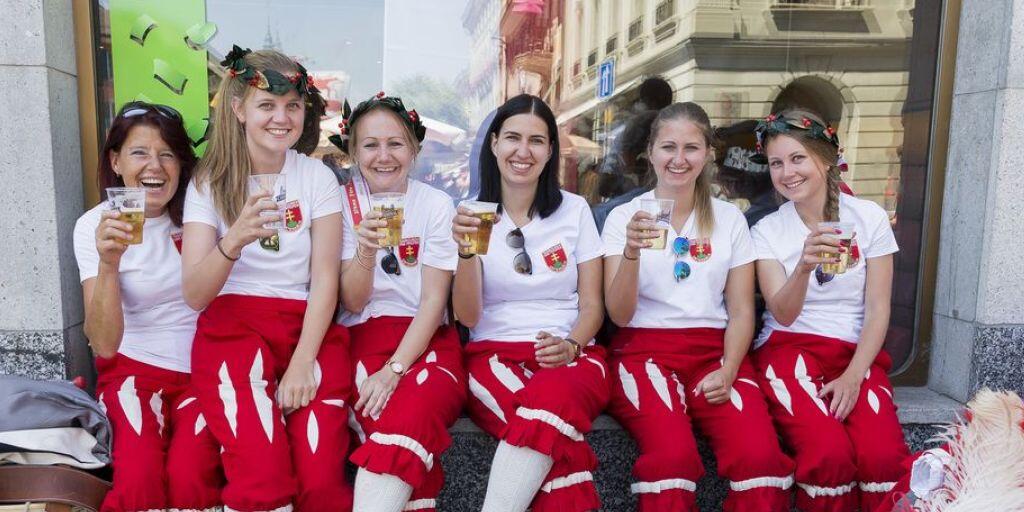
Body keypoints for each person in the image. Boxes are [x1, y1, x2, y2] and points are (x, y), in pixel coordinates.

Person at [181, 46, 352, 511]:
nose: (282, 118)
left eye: (292, 105)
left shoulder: (316, 178)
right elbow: (195, 293)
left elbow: (325, 280)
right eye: (267, 105)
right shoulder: (208, 182)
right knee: (262, 474)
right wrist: (233, 240)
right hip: (232, 333)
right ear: (239, 109)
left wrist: (302, 362)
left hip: (307, 329)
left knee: (320, 477)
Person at [601, 102, 795, 511]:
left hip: (715, 355)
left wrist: (729, 369)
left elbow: (741, 311)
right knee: (672, 458)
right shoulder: (624, 218)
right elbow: (619, 315)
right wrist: (631, 253)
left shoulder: (730, 219)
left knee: (760, 457)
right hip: (643, 354)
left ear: (708, 154)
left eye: (691, 148)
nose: (679, 159)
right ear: (650, 152)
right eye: (668, 147)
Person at [452, 94, 609, 512]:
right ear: (494, 144)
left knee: (553, 396)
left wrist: (571, 345)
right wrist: (465, 252)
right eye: (513, 138)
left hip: (573, 354)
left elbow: (592, 307)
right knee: (560, 457)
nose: (523, 151)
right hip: (493, 357)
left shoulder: (575, 210)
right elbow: (468, 315)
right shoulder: (472, 214)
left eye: (537, 140)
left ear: (551, 150)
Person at [750, 109, 910, 512]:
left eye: (797, 158)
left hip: (856, 354)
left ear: (825, 159)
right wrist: (803, 267)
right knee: (828, 454)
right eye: (776, 163)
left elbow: (878, 308)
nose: (787, 173)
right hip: (788, 349)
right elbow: (782, 314)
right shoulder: (767, 231)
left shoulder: (869, 218)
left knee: (882, 457)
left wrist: (854, 376)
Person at [73, 101, 222, 511]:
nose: (154, 166)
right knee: (139, 478)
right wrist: (108, 264)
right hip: (131, 372)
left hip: (203, 370)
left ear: (182, 165)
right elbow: (104, 345)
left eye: (167, 154)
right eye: (139, 152)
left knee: (191, 476)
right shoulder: (94, 226)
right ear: (116, 161)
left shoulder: (200, 218)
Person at [330, 93, 466, 512]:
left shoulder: (435, 204)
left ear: (414, 149)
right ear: (353, 152)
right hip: (362, 339)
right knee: (385, 421)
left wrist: (394, 370)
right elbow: (353, 301)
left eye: (396, 143)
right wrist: (365, 251)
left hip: (426, 339)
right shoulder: (341, 203)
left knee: (418, 408)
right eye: (371, 145)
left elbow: (433, 300)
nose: (384, 156)